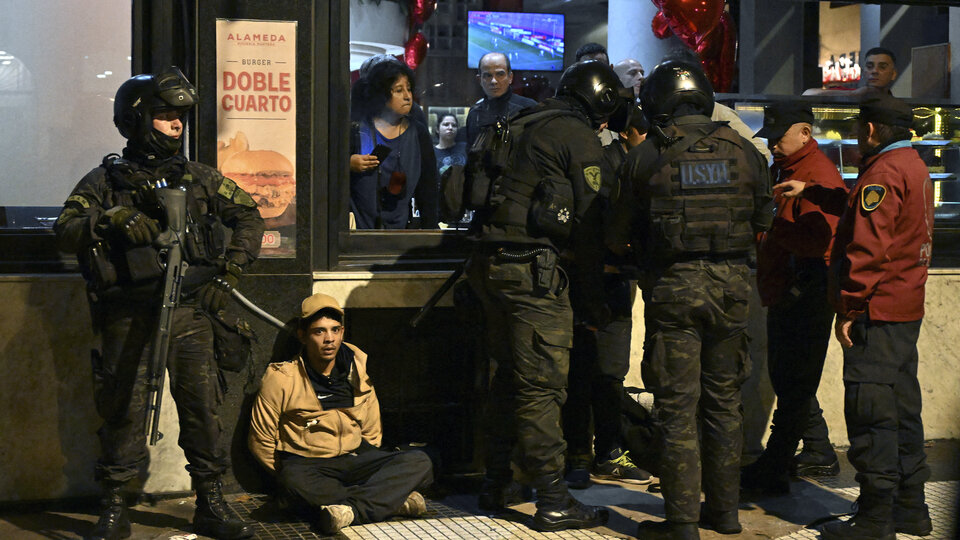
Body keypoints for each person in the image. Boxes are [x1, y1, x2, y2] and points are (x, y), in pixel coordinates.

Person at [54, 67, 265, 540]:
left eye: (180, 117)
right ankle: (114, 504)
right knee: (123, 408)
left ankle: (210, 501)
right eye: (166, 115)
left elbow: (250, 217)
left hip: (190, 311)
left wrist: (229, 272)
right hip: (128, 313)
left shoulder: (201, 178)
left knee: (201, 406)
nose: (177, 125)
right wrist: (111, 218)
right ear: (136, 120)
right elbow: (65, 228)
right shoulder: (103, 181)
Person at [609, 59, 772, 539]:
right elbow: (763, 221)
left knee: (678, 407)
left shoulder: (648, 156)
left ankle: (681, 523)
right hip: (733, 291)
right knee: (724, 402)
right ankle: (724, 514)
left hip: (674, 292)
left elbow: (618, 236)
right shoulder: (744, 150)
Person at [466, 59, 624, 532]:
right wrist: (594, 298)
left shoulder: (519, 121)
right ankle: (554, 500)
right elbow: (592, 223)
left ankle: (497, 481)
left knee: (507, 379)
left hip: (488, 267)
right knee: (541, 388)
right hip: (532, 273)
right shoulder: (575, 134)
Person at [818, 91, 933, 540]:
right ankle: (911, 508)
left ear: (870, 129)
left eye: (856, 128)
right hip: (906, 309)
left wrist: (849, 306)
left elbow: (868, 249)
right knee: (903, 409)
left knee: (871, 413)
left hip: (877, 311)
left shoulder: (882, 173)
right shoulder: (915, 166)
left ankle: (874, 520)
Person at [248, 293, 434, 535]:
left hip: (355, 457)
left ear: (343, 332)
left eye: (335, 330)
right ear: (302, 336)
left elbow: (372, 427)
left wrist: (365, 457)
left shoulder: (357, 367)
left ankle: (350, 510)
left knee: (420, 462)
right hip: (309, 464)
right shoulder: (282, 378)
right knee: (292, 483)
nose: (329, 339)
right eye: (319, 331)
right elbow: (260, 440)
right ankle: (392, 502)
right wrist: (285, 474)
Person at [739, 102, 846, 496]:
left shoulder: (817, 174)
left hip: (804, 289)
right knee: (791, 377)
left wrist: (772, 232)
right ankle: (815, 450)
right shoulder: (785, 168)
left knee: (794, 379)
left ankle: (776, 465)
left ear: (805, 132)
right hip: (786, 286)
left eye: (779, 137)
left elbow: (821, 242)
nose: (772, 144)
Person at [563, 103, 651, 490]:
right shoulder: (609, 167)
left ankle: (607, 452)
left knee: (611, 376)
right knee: (586, 373)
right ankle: (583, 455)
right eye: (645, 134)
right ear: (627, 132)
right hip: (595, 282)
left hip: (616, 283)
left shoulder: (632, 165)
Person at [349, 60, 438, 229]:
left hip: (401, 233)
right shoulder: (357, 130)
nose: (407, 96)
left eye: (409, 89)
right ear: (381, 94)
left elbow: (428, 187)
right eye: (399, 90)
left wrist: (430, 230)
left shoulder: (418, 133)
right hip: (358, 233)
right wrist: (348, 164)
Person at [463, 52, 538, 148]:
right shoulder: (475, 113)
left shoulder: (528, 108)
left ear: (510, 77)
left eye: (500, 74)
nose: (494, 81)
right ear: (479, 80)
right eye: (488, 75)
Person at [803, 46, 898, 97]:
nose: (874, 71)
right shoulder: (854, 93)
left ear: (893, 74)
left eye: (882, 67)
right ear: (863, 71)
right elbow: (808, 93)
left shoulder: (897, 105)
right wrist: (853, 94)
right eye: (869, 67)